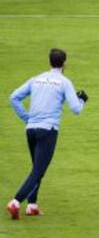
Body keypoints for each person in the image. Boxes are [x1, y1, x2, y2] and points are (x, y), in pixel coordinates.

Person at [7, 48, 88, 219]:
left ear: (49, 62)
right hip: (48, 130)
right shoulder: (64, 82)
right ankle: (15, 202)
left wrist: (26, 117)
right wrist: (82, 100)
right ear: (64, 63)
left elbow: (14, 97)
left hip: (31, 129)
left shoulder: (36, 79)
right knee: (38, 170)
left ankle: (32, 205)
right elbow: (76, 109)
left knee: (37, 168)